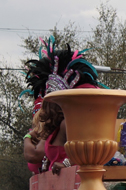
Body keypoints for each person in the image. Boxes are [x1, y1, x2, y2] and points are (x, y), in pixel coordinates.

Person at [21, 37, 103, 175]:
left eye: (49, 102)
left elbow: (87, 151)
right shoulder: (55, 129)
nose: (45, 108)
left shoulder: (68, 124)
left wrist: (66, 164)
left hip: (75, 182)